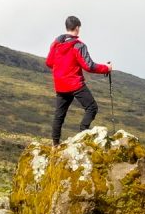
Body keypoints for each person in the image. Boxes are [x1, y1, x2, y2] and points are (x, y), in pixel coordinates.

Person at [46, 15, 112, 146]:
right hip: (74, 83)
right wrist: (107, 68)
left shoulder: (56, 44)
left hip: (60, 85)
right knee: (92, 107)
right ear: (77, 28)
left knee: (59, 115)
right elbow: (89, 66)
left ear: (66, 27)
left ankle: (55, 144)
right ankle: (83, 132)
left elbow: (49, 62)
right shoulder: (78, 46)